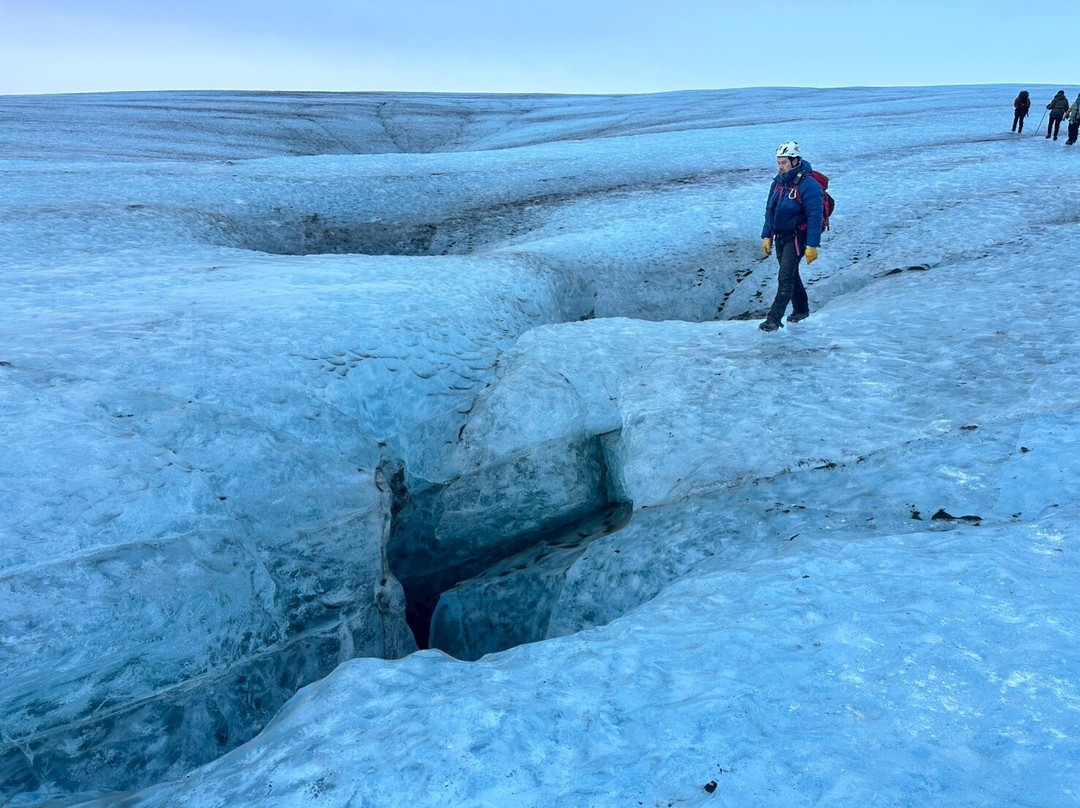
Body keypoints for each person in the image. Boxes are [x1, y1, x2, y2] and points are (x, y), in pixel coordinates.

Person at [758, 141, 823, 332]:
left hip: (797, 236)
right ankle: (801, 309)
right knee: (791, 273)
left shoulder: (808, 184)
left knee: (785, 277)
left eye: (784, 162)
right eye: (778, 163)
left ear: (795, 161)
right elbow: (770, 210)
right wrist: (767, 235)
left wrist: (812, 244)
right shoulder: (778, 183)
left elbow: (815, 216)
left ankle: (773, 320)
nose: (780, 167)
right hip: (781, 236)